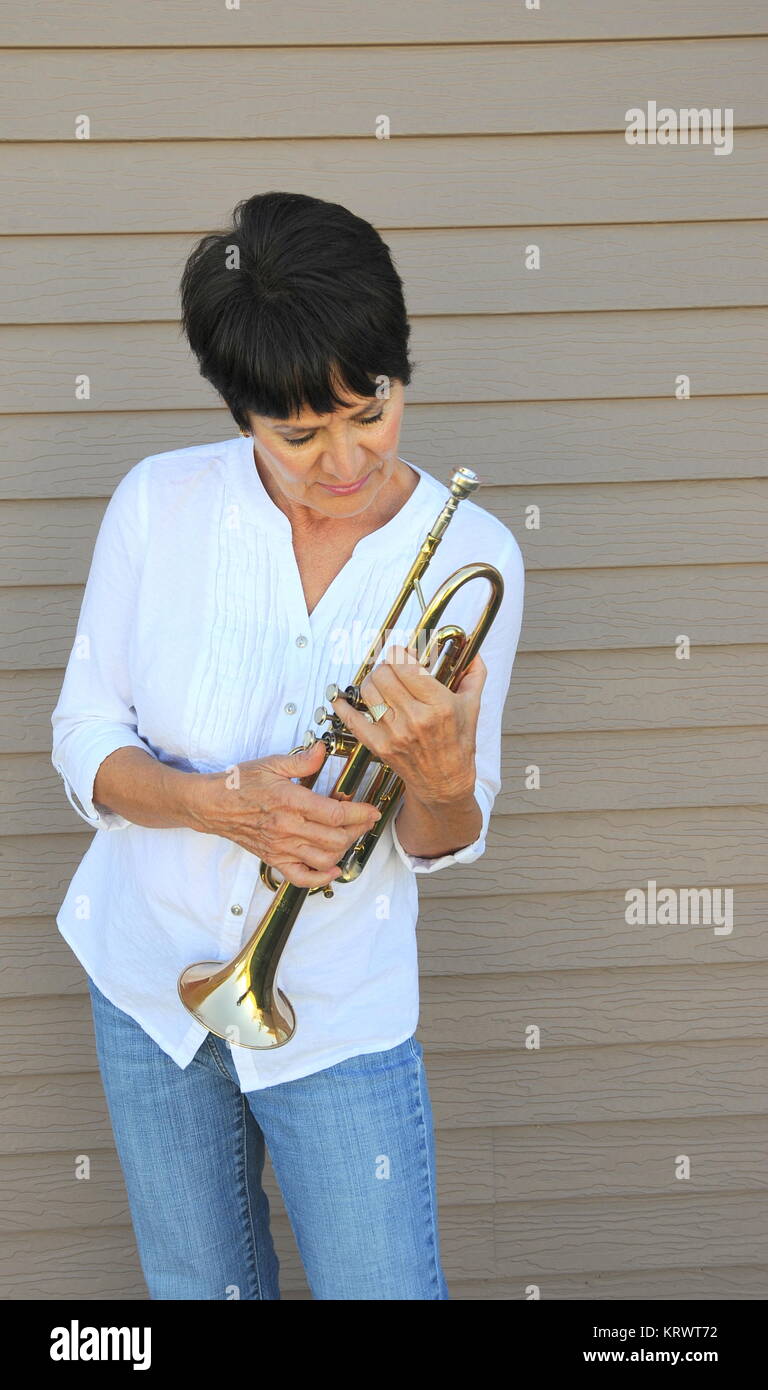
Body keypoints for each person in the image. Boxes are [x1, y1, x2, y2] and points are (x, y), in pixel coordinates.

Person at [50, 190, 525, 1300]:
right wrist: (220, 804)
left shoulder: (480, 551)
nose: (345, 460)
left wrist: (444, 782)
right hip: (148, 988)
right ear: (239, 411)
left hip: (338, 1012)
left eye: (373, 409)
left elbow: (444, 837)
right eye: (299, 434)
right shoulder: (157, 504)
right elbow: (85, 738)